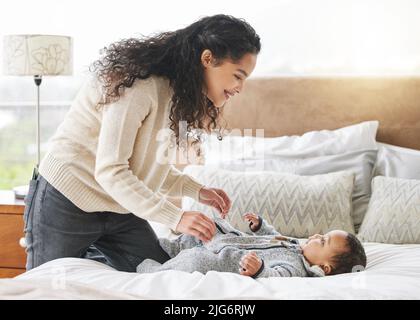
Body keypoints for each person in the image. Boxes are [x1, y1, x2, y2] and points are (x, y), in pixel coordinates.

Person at [22, 14, 261, 272]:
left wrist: (196, 190)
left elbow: (146, 168)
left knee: (162, 274)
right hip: (66, 200)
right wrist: (176, 217)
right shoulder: (138, 85)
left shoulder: (179, 95)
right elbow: (111, 170)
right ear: (207, 59)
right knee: (46, 286)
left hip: (119, 207)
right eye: (238, 75)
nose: (240, 87)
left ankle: (90, 258)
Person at [136, 213, 367, 278]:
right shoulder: (298, 245)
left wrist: (260, 270)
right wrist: (260, 226)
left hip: (227, 257)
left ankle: (155, 271)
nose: (317, 235)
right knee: (213, 224)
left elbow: (276, 276)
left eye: (323, 240)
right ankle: (173, 248)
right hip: (232, 239)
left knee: (197, 260)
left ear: (324, 268)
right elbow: (274, 236)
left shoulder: (295, 267)